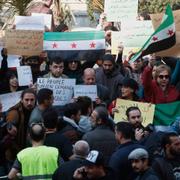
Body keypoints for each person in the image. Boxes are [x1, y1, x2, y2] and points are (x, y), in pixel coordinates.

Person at [6, 89, 36, 156]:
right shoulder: (15, 111)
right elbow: (10, 119)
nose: (29, 103)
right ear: (22, 100)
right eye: (26, 100)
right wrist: (10, 126)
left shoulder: (38, 110)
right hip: (17, 150)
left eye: (32, 100)